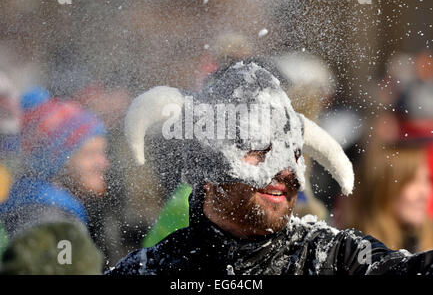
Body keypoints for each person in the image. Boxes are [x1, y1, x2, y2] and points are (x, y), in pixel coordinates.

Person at [107, 60, 433, 275]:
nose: (285, 171)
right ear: (206, 166)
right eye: (259, 149)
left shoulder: (333, 259)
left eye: (292, 153)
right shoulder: (152, 270)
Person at [0, 87, 109, 245]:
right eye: (90, 154)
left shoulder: (45, 208)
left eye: (103, 152)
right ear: (53, 161)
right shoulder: (46, 219)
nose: (104, 163)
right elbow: (60, 267)